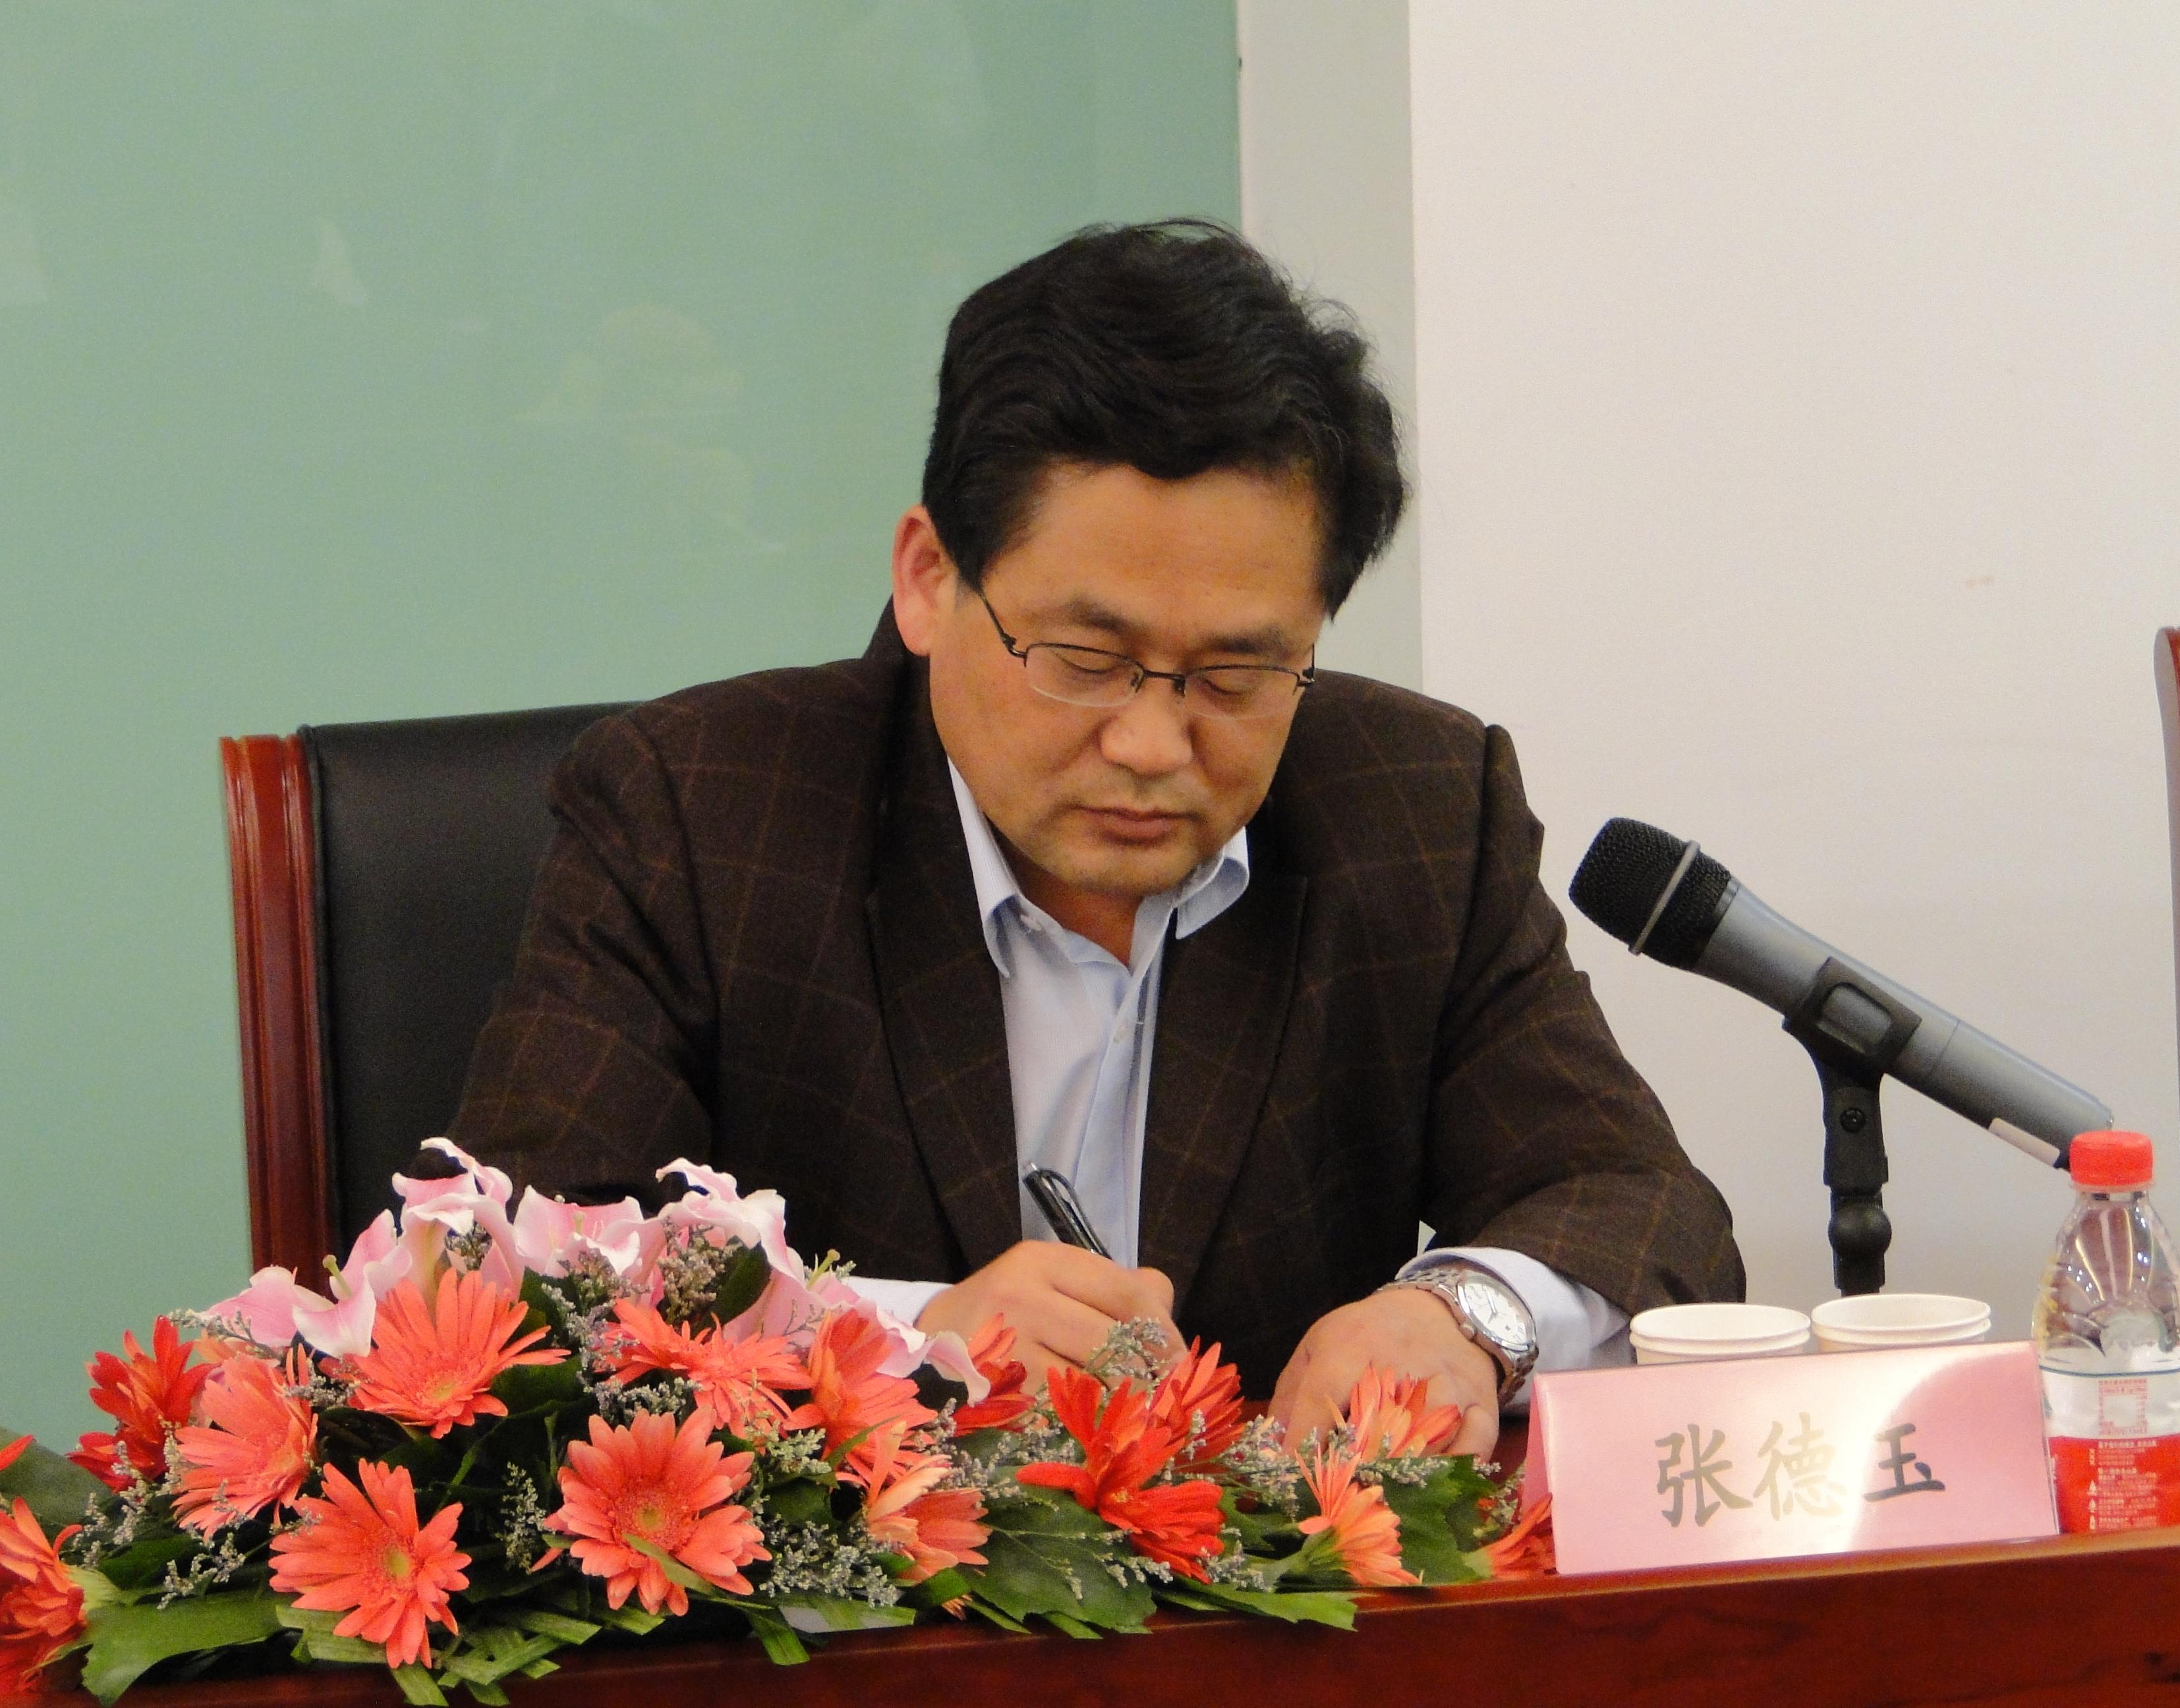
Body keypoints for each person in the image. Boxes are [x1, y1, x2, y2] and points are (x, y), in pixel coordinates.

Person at [451, 219, 1742, 1454]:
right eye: (1084, 658)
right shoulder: (698, 811)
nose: (1152, 742)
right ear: (929, 578)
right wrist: (898, 1337)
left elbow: (1643, 1206)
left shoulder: (1417, 806)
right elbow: (511, 1272)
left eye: (1238, 674)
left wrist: (1464, 1317)